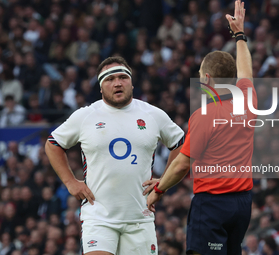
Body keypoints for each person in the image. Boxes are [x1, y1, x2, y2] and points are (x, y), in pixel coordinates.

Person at [45, 56, 185, 255]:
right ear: (101, 87)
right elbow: (53, 144)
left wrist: (164, 182)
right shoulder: (86, 116)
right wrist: (70, 182)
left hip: (140, 217)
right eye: (109, 79)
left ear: (131, 83)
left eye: (122, 77)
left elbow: (180, 144)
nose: (117, 83)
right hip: (98, 216)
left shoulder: (153, 114)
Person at [147, 1, 257, 254]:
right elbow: (246, 70)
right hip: (242, 203)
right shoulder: (248, 99)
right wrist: (240, 36)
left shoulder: (204, 115)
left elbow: (182, 164)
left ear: (206, 79)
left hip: (212, 205)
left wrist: (159, 189)